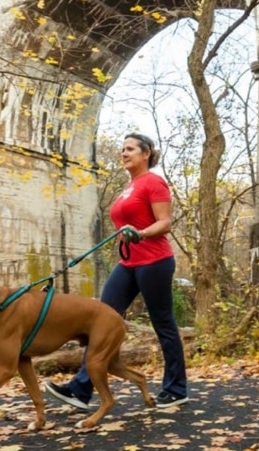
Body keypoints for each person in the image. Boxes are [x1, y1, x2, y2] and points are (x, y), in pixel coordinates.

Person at [45, 133, 188, 409]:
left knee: (164, 323)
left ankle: (176, 388)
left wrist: (141, 233)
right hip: (128, 263)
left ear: (146, 154)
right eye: (123, 149)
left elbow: (165, 222)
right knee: (99, 320)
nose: (124, 153)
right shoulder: (128, 187)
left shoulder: (153, 182)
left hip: (154, 262)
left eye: (131, 149)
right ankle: (81, 389)